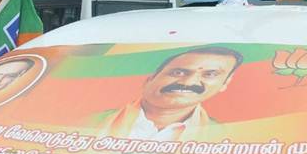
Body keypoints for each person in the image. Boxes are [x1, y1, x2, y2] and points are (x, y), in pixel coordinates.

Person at [89, 47, 242, 140]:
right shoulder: (89, 123)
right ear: (151, 78)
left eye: (210, 74)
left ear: (225, 83)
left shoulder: (226, 138)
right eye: (178, 72)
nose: (189, 82)